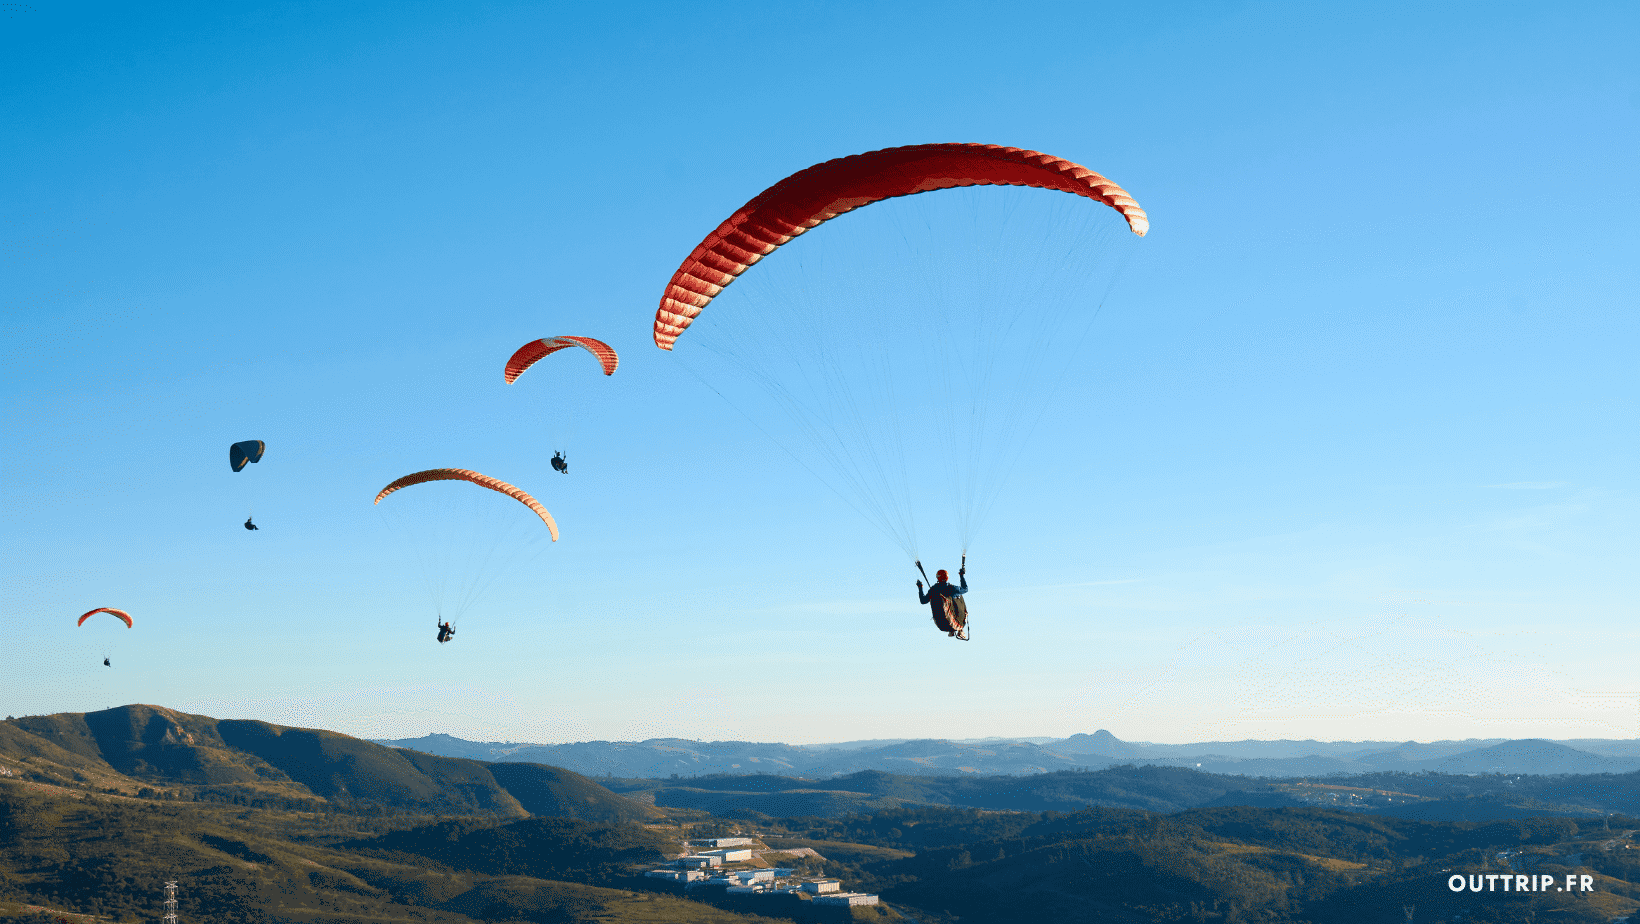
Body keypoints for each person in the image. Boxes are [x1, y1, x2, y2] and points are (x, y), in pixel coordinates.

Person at [917, 566, 968, 636]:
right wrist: (961, 575)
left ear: (938, 577)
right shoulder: (952, 588)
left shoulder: (933, 590)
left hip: (940, 624)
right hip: (950, 623)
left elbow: (923, 601)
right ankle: (959, 628)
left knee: (952, 598)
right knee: (959, 597)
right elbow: (965, 589)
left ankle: (953, 629)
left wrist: (920, 588)